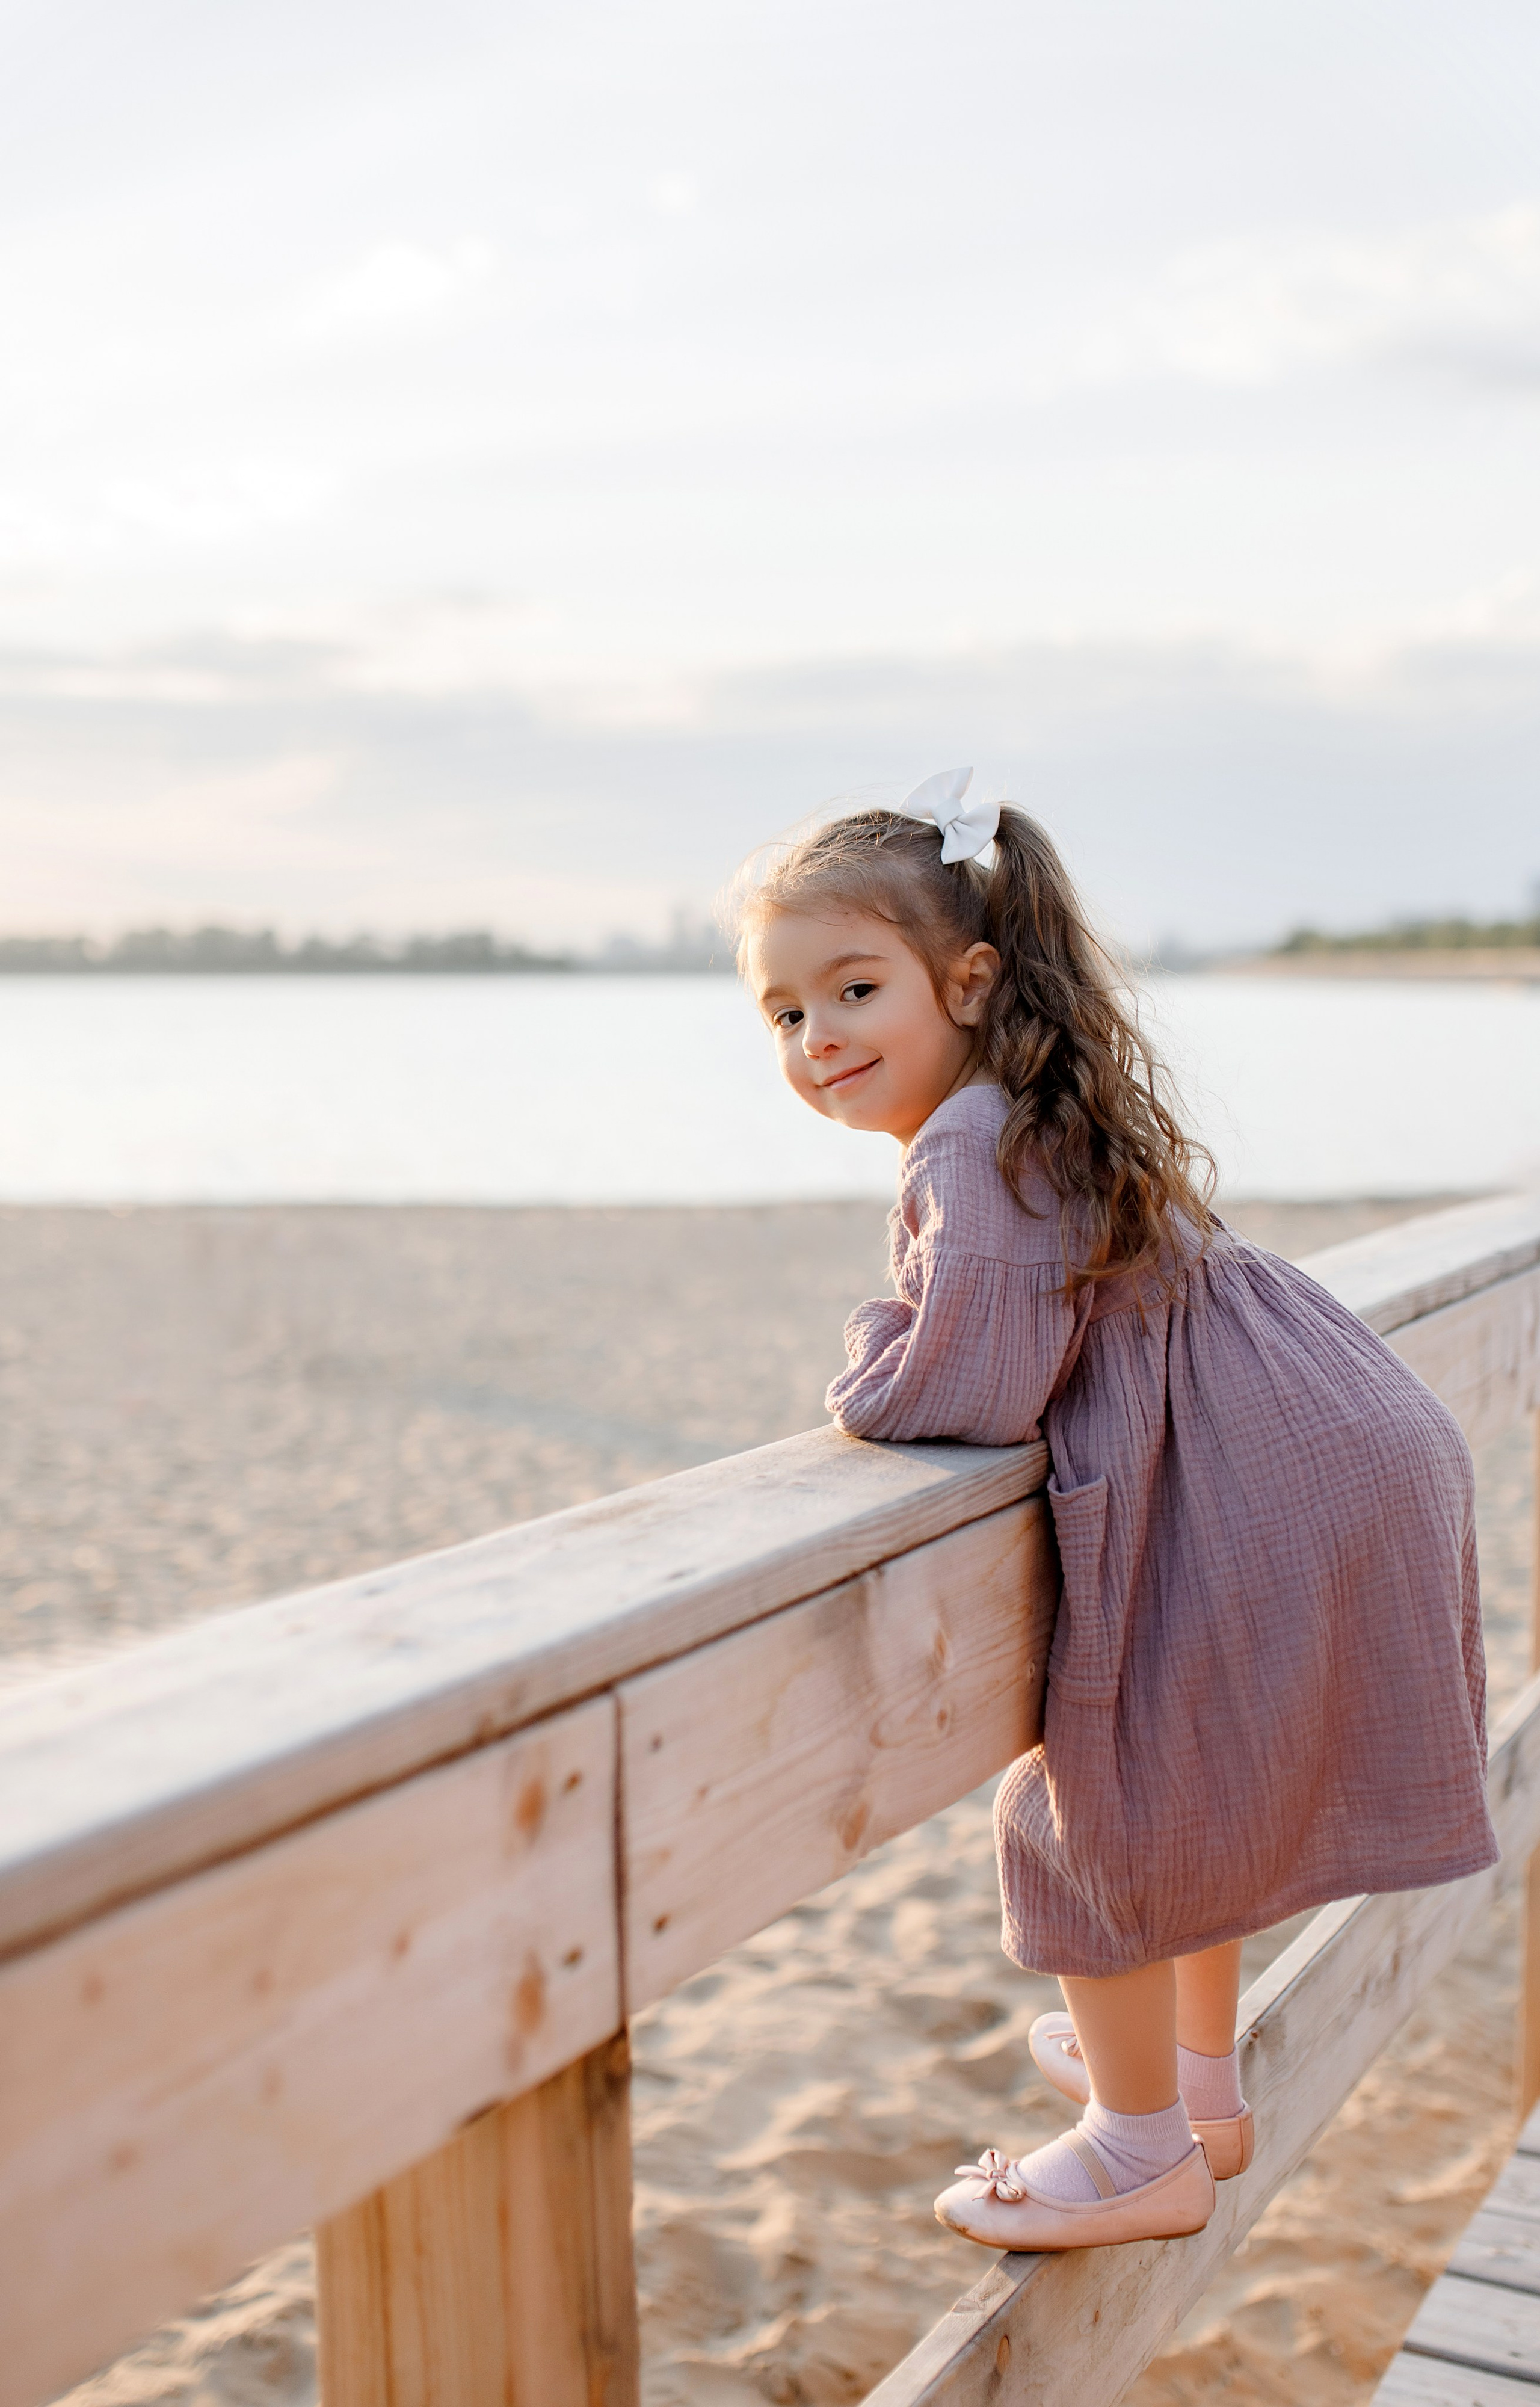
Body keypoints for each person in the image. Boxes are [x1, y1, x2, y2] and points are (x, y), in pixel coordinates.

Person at [734, 770, 1497, 2253]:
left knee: (1093, 1807)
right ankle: (1195, 2089)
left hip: (1253, 1468)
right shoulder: (1038, 1111)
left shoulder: (963, 1143)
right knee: (1186, 1775)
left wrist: (868, 1369)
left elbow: (973, 1382)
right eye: (782, 1014)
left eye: (851, 989)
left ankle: (1135, 2143)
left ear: (967, 981)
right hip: (1327, 1437)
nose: (816, 1037)